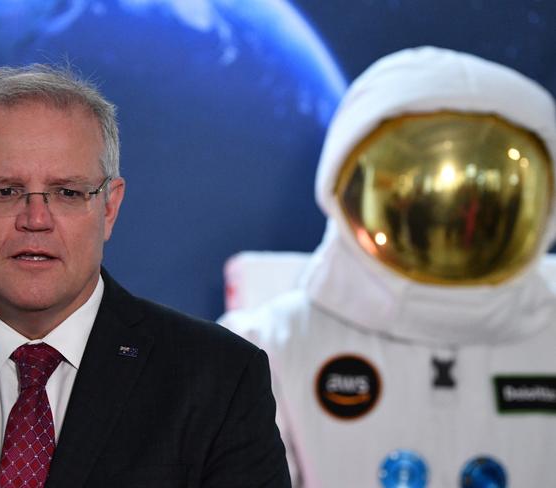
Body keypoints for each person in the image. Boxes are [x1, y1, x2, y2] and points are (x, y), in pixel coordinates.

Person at [0, 64, 290, 488]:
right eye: (5, 191)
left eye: (68, 192)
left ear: (109, 207)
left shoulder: (219, 379)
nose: (36, 220)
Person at [222, 46, 556, 487]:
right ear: (343, 186)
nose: (448, 219)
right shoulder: (267, 350)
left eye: (479, 196)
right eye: (421, 191)